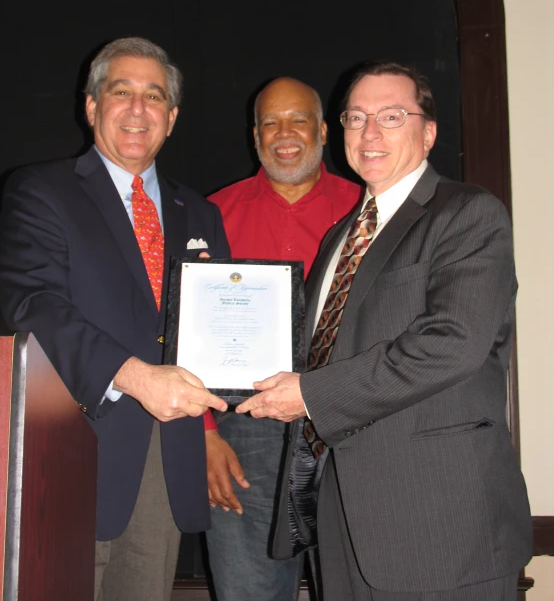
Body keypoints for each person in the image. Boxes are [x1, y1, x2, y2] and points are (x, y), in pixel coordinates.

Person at [236, 62, 533, 601]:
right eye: (356, 117)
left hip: (440, 526)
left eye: (391, 116)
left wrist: (308, 394)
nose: (369, 133)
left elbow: (453, 344)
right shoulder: (340, 237)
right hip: (342, 517)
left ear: (429, 132)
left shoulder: (467, 214)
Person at [0, 37, 230, 601]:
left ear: (171, 118)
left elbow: (218, 324)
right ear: (91, 106)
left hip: (165, 460)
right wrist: (134, 375)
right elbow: (33, 306)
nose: (137, 109)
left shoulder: (199, 213)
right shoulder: (41, 191)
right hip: (73, 449)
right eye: (120, 91)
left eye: (154, 97)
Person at [204, 77, 362, 601]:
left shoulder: (369, 211)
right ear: (255, 137)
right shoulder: (210, 215)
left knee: (359, 585)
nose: (284, 133)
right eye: (270, 122)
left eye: (297, 120)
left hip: (349, 427)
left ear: (322, 130)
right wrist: (203, 436)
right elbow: (179, 337)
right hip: (242, 434)